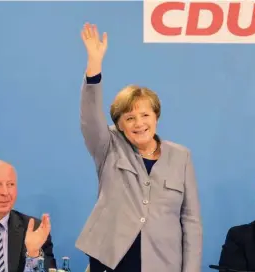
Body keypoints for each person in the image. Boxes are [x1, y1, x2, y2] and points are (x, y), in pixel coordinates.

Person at [75, 23, 203, 272]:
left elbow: (191, 221)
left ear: (156, 116)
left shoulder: (181, 157)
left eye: (145, 115)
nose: (139, 124)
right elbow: (90, 117)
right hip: (111, 261)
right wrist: (94, 67)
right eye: (129, 118)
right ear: (120, 125)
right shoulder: (108, 145)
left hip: (162, 263)